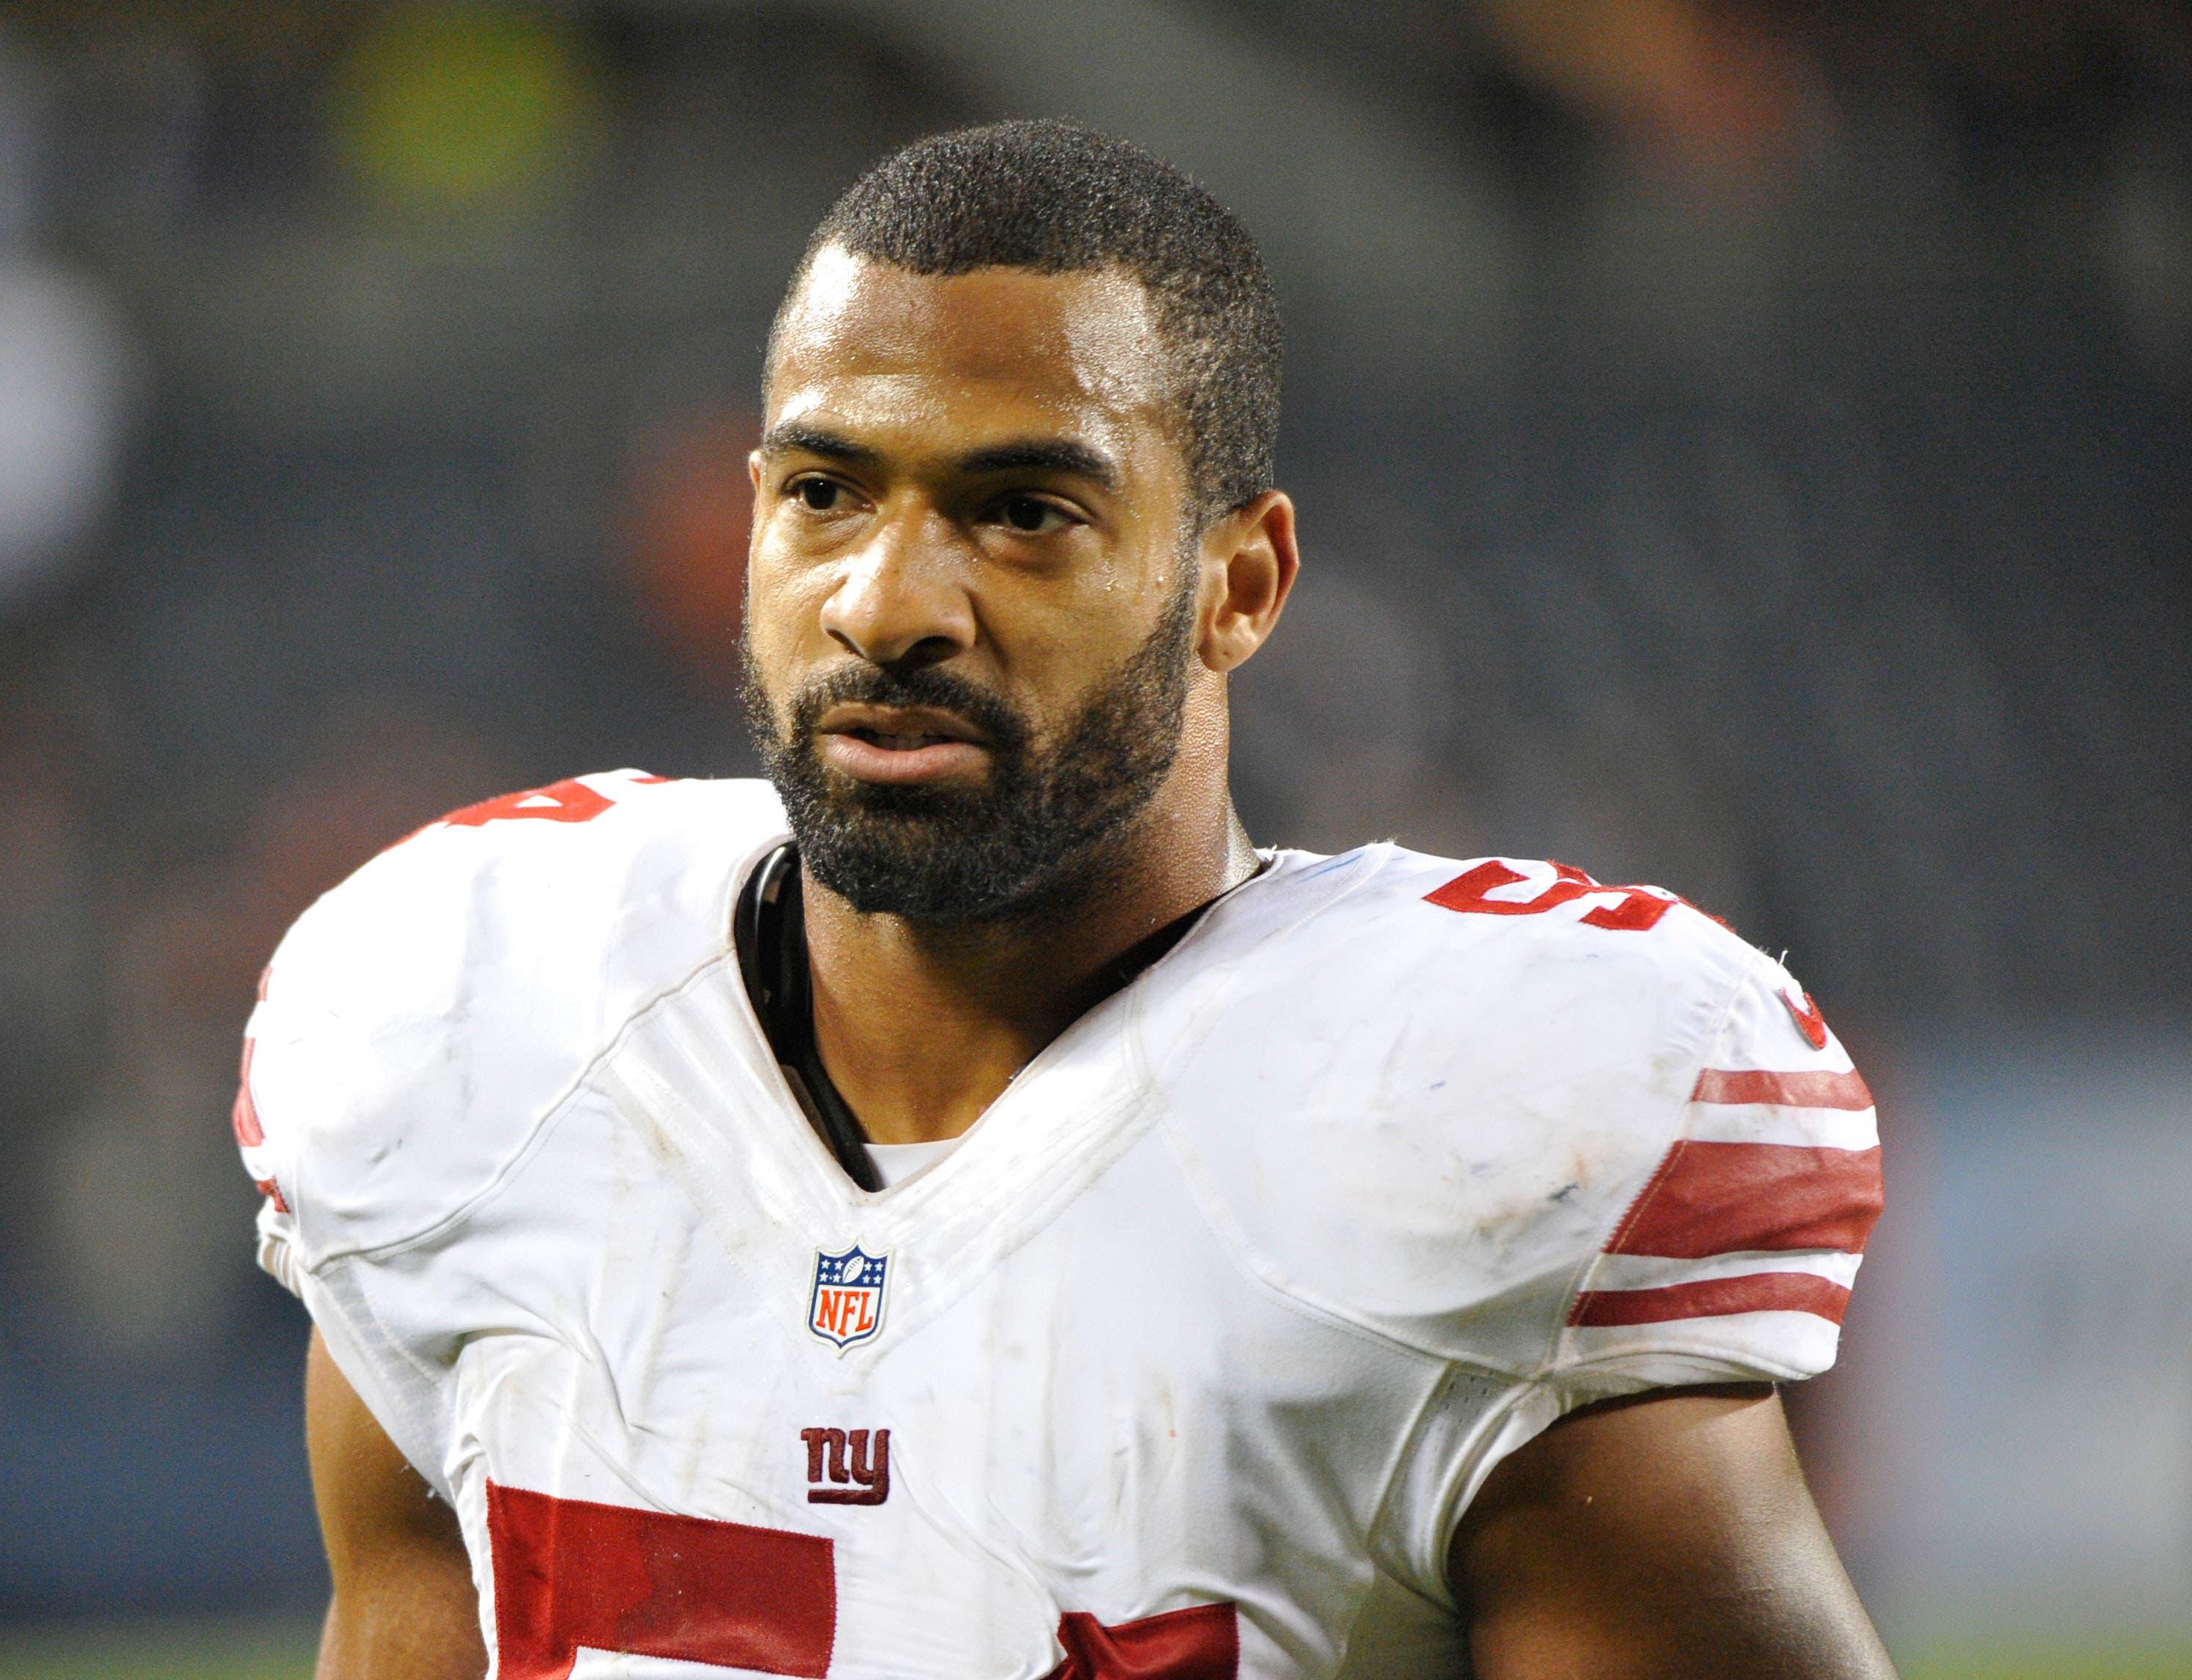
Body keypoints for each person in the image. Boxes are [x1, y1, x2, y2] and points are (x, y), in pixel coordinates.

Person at [235, 120, 1896, 1679]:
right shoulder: (467, 1032)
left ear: (1235, 586)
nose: (888, 605)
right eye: (825, 493)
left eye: (1024, 512)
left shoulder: (1465, 1121)